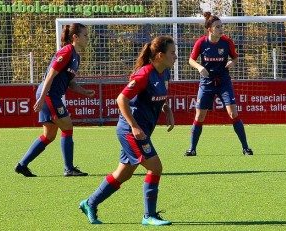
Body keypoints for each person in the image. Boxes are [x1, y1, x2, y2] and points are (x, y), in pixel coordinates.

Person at [79, 36, 176, 226]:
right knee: (155, 167)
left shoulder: (164, 73)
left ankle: (89, 203)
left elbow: (161, 94)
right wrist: (134, 125)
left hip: (142, 130)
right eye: (172, 53)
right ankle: (149, 216)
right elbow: (121, 99)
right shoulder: (144, 74)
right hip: (130, 131)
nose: (176, 57)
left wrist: (168, 110)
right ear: (159, 55)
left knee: (123, 173)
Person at [15, 23, 95, 177]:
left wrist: (85, 92)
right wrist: (43, 97)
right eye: (85, 35)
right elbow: (50, 76)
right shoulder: (66, 52)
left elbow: (70, 82)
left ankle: (22, 165)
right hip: (49, 95)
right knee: (67, 127)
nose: (87, 38)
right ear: (75, 37)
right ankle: (69, 169)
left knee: (49, 135)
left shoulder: (76, 57)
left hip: (51, 96)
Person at [184, 12, 253, 157]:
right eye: (217, 27)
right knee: (199, 116)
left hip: (223, 82)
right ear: (209, 29)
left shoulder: (227, 42)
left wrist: (231, 62)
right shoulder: (201, 42)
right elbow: (191, 60)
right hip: (206, 83)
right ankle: (192, 149)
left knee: (233, 113)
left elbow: (235, 58)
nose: (221, 29)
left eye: (222, 26)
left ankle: (246, 148)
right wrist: (199, 67)